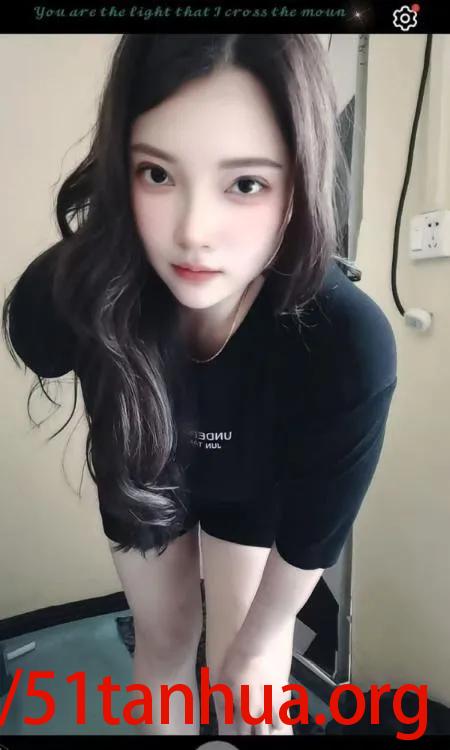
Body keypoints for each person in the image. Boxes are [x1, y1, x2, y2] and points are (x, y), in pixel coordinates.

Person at [2, 34, 397, 736]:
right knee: (164, 642)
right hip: (143, 471)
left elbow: (316, 532)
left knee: (253, 666)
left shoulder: (346, 342)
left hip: (257, 488)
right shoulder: (76, 295)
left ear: (297, 183)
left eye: (245, 184)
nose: (193, 233)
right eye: (157, 174)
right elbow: (43, 340)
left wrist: (257, 649)